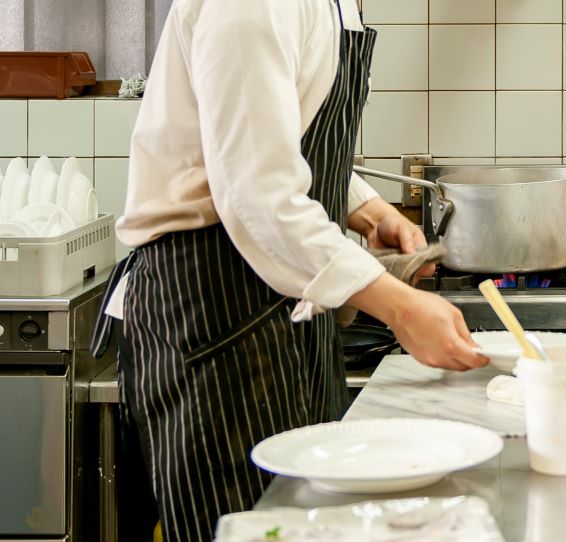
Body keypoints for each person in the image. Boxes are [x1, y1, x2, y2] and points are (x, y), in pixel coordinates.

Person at [88, 0, 488, 538]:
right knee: (246, 527)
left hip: (287, 314)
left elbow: (269, 134)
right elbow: (257, 197)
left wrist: (364, 206)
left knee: (307, 522)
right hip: (215, 319)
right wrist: (400, 307)